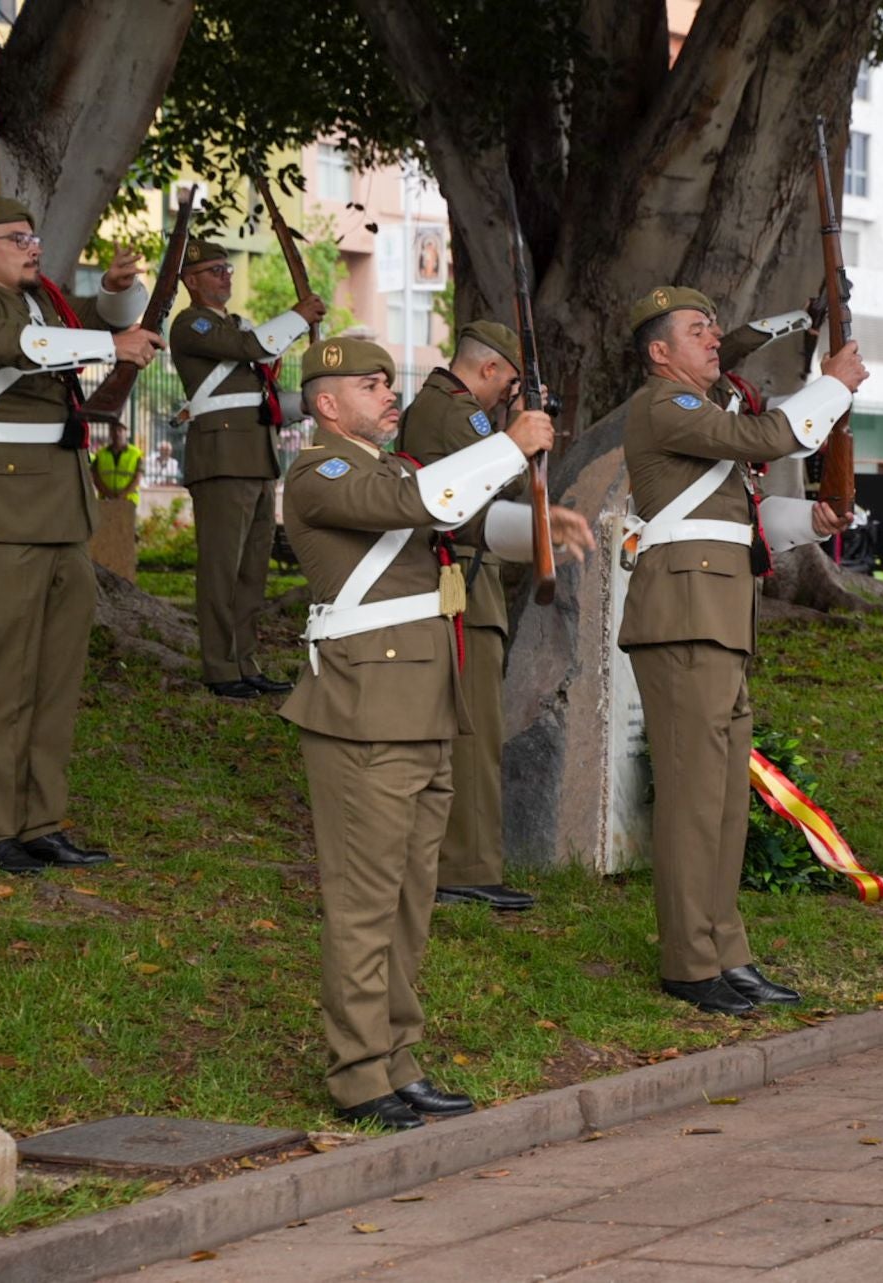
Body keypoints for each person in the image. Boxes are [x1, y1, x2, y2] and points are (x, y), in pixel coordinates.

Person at [280, 336, 591, 1129]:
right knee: (363, 901)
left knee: (411, 900)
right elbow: (421, 509)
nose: (390, 395)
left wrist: (540, 525)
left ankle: (397, 1057)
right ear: (325, 404)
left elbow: (459, 527)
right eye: (371, 385)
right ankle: (358, 1072)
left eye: (390, 383)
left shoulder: (393, 469)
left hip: (423, 704)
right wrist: (508, 445)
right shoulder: (321, 471)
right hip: (365, 709)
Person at [620, 287, 862, 1015]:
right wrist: (832, 385)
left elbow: (732, 519)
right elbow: (765, 440)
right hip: (685, 617)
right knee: (695, 799)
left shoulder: (705, 414)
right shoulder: (666, 403)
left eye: (713, 329)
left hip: (718, 616)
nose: (712, 339)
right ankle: (690, 960)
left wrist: (808, 521)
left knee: (722, 801)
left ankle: (726, 950)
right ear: (660, 352)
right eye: (698, 331)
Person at [0, 195, 162, 876]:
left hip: (61, 508)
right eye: (16, 238)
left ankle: (39, 821)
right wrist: (108, 341)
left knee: (57, 676)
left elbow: (76, 328)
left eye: (34, 236)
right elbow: (16, 349)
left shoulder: (38, 303)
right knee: (4, 674)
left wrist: (115, 298)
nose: (33, 247)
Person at [395, 319, 537, 914]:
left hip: (459, 576)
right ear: (487, 370)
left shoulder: (438, 407)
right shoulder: (460, 414)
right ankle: (468, 864)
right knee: (476, 728)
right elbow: (500, 485)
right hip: (463, 580)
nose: (508, 392)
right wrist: (521, 436)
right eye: (507, 381)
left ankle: (457, 859)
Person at [170, 239, 325, 699]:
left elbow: (259, 396)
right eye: (215, 271)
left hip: (256, 457)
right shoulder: (191, 323)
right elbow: (249, 347)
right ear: (191, 281)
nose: (225, 277)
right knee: (221, 569)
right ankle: (220, 668)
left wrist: (310, 403)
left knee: (251, 571)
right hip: (220, 461)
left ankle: (244, 660)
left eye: (226, 269)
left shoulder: (237, 324)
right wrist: (298, 317)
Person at [90, 421, 145, 506]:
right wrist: (108, 494)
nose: (117, 433)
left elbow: (137, 479)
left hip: (128, 500)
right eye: (113, 430)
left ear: (125, 432)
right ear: (110, 433)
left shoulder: (136, 454)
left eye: (120, 430)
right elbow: (95, 477)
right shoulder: (100, 454)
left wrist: (122, 495)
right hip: (106, 500)